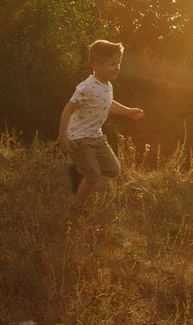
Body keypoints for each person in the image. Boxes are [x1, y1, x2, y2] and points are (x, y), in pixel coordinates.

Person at [60, 39, 144, 211]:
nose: (117, 67)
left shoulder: (107, 85)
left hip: (96, 136)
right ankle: (77, 208)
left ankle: (77, 171)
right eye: (112, 64)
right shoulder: (86, 87)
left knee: (114, 170)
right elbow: (67, 110)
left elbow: (109, 103)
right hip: (79, 138)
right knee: (94, 176)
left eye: (119, 63)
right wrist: (63, 137)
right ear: (97, 66)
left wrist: (128, 111)